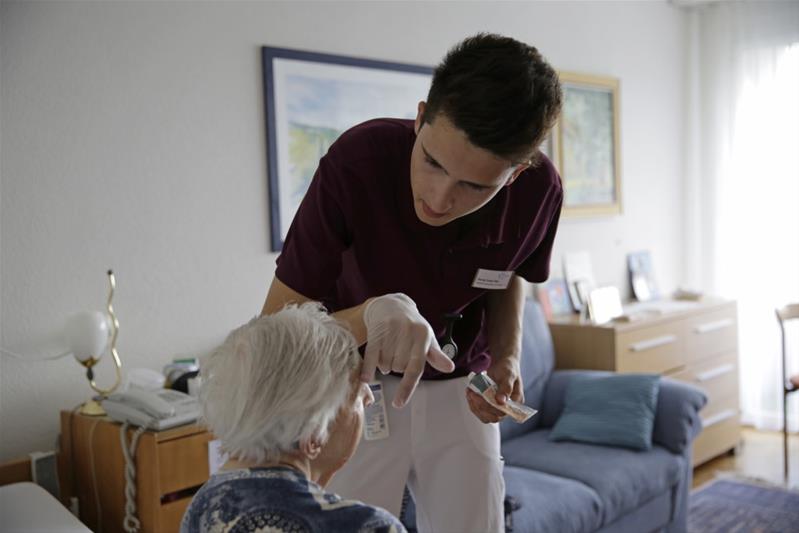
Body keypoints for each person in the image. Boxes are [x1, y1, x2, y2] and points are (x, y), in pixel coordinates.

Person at [262, 33, 563, 532]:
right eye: (432, 162)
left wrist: (508, 356)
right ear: (420, 116)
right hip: (354, 387)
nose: (440, 198)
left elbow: (508, 272)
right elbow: (276, 327)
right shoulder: (357, 163)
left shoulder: (539, 191)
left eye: (474, 186)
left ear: (516, 175)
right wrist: (368, 316)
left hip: (463, 387)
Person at [181, 303, 406, 533]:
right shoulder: (368, 526)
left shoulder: (204, 506)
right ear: (314, 433)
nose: (368, 402)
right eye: (358, 394)